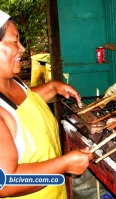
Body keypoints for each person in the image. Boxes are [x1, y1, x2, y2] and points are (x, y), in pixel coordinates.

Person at [0, 10, 93, 198]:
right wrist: (64, 165)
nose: (22, 48)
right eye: (14, 41)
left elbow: (23, 106)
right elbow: (5, 183)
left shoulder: (10, 80)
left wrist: (52, 88)